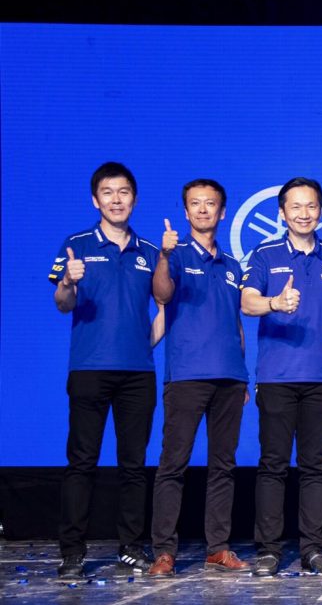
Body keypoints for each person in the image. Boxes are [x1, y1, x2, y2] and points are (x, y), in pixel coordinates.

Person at [50, 162, 161, 579]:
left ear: (135, 198)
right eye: (108, 193)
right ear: (95, 200)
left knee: (134, 464)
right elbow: (63, 304)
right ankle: (72, 552)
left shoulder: (149, 252)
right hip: (89, 369)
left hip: (138, 374)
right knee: (82, 462)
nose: (117, 200)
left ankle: (130, 547)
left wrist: (145, 344)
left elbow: (165, 308)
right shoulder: (75, 245)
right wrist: (68, 282)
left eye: (124, 192)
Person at [240, 177, 322, 577]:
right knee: (273, 464)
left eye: (311, 206)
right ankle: (269, 549)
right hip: (276, 377)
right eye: (296, 207)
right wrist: (275, 302)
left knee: (315, 466)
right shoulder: (265, 254)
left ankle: (313, 549)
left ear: (320, 211)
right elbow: (247, 302)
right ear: (282, 213)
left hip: (321, 377)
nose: (304, 214)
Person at [147, 179, 250, 577]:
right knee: (173, 464)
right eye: (195, 203)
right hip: (187, 376)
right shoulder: (174, 255)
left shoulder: (233, 265)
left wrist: (242, 374)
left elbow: (236, 322)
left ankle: (217, 549)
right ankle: (164, 552)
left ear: (222, 212)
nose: (203, 209)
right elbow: (162, 295)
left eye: (210, 203)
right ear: (186, 211)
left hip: (230, 378)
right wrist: (163, 255)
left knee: (223, 466)